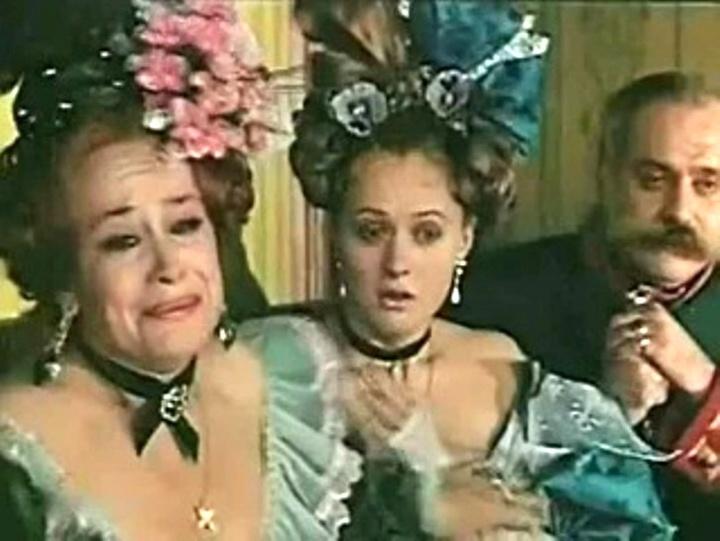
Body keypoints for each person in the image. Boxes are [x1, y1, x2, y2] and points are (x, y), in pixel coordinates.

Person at [240, 1, 675, 539]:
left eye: (427, 234)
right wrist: (404, 502)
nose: (398, 264)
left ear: (465, 238)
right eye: (371, 231)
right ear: (336, 234)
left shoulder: (511, 377)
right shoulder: (273, 360)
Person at [0, 0, 359, 539]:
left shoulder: (291, 380)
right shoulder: (20, 465)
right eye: (122, 241)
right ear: (65, 271)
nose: (168, 267)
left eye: (186, 225)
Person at [447, 70, 720, 539]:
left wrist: (703, 389)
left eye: (707, 184)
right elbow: (454, 496)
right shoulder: (495, 297)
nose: (678, 210)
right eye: (652, 180)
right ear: (606, 177)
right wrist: (606, 415)